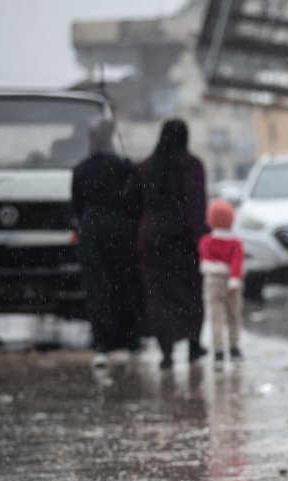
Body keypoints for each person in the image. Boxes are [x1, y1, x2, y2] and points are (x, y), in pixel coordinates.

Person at [125, 118, 208, 370]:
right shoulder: (191, 166)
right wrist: (201, 240)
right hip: (183, 241)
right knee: (189, 293)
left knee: (158, 295)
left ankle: (166, 351)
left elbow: (130, 203)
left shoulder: (144, 168)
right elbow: (197, 205)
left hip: (152, 242)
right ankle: (193, 344)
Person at [71, 117, 144, 367]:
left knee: (97, 288)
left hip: (92, 232)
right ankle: (131, 340)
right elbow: (135, 201)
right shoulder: (122, 166)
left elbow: (77, 206)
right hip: (121, 231)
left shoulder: (81, 169)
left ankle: (102, 343)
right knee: (124, 284)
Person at [198, 199, 245, 370]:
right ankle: (234, 348)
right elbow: (237, 263)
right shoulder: (235, 243)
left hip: (212, 281)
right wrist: (233, 279)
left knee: (216, 318)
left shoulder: (206, 241)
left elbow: (205, 259)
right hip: (232, 283)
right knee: (233, 317)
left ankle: (218, 352)